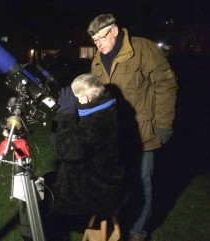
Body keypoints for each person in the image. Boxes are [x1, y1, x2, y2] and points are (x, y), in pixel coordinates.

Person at [87, 14, 178, 241]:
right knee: (117, 182)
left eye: (101, 38)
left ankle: (138, 231)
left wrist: (164, 123)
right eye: (94, 41)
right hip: (113, 135)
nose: (98, 44)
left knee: (141, 183)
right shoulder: (98, 59)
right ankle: (119, 225)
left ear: (115, 30)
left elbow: (166, 84)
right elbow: (97, 95)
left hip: (142, 131)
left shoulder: (142, 48)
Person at [41, 73, 125, 240]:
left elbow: (65, 150)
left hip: (97, 192)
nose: (73, 103)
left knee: (42, 200)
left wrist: (66, 115)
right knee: (46, 180)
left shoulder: (98, 124)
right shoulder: (106, 111)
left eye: (75, 99)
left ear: (86, 98)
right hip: (100, 178)